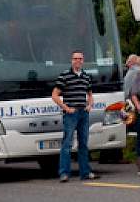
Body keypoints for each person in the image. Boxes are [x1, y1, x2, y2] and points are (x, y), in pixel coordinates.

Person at [51, 50, 96, 182]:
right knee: (67, 144)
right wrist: (66, 108)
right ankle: (64, 173)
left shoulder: (86, 76)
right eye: (75, 58)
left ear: (83, 61)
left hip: (83, 113)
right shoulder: (64, 76)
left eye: (80, 59)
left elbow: (90, 94)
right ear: (72, 60)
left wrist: (90, 105)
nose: (78, 61)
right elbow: (54, 95)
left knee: (83, 144)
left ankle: (85, 172)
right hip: (71, 114)